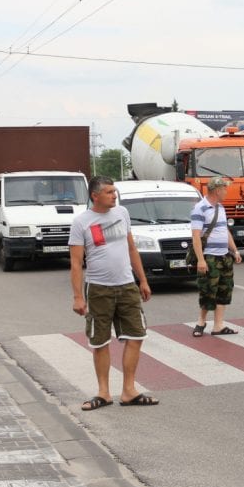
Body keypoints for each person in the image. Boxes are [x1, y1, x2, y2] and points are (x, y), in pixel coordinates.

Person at [69, 176, 157, 410]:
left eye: (114, 191)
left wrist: (143, 280)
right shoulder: (81, 222)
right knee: (100, 341)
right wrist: (78, 296)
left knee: (136, 336)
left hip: (127, 284)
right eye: (109, 192)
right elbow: (76, 263)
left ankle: (129, 391)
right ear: (94, 196)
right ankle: (104, 393)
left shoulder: (122, 214)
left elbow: (131, 247)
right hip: (99, 288)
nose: (114, 195)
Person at [190, 177, 243, 337]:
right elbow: (196, 237)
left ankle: (218, 326)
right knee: (208, 290)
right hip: (210, 257)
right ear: (217, 190)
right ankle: (201, 322)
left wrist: (235, 250)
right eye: (225, 189)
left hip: (224, 256)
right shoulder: (200, 208)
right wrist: (200, 259)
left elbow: (224, 231)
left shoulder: (221, 208)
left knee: (224, 290)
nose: (226, 192)